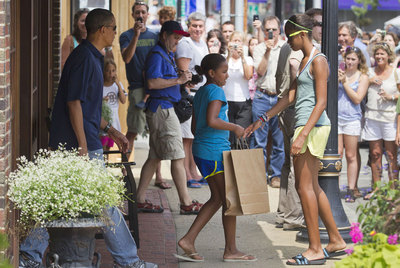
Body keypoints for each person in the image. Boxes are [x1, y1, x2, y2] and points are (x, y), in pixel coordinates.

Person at [21, 9, 157, 268]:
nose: (116, 33)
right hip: (76, 145)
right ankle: (127, 261)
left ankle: (29, 255)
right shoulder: (85, 58)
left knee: (61, 201)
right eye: (114, 28)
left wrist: (112, 131)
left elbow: (88, 109)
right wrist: (83, 145)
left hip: (80, 143)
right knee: (97, 203)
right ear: (102, 29)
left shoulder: (93, 57)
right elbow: (73, 104)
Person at [245, 14, 346, 265]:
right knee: (312, 186)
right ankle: (335, 240)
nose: (286, 40)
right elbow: (289, 97)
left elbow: (321, 102)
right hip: (304, 126)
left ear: (302, 34)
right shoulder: (301, 61)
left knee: (304, 188)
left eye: (289, 36)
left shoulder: (318, 60)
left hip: (311, 128)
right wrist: (263, 118)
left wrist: (301, 135)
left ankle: (314, 248)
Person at [175, 54, 257, 262]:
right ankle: (205, 244)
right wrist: (235, 127)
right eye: (224, 71)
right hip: (214, 152)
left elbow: (195, 126)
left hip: (202, 150)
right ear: (211, 73)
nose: (227, 75)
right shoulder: (216, 91)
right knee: (226, 199)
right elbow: (212, 120)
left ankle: (219, 246)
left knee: (221, 198)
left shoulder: (201, 91)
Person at [136, 21, 203, 214]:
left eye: (179, 38)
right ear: (164, 35)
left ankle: (140, 199)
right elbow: (152, 82)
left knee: (155, 157)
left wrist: (183, 80)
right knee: (177, 155)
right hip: (162, 109)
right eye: (175, 37)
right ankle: (186, 202)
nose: (177, 41)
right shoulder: (157, 55)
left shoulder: (165, 54)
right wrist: (178, 80)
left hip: (162, 108)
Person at [120, 2, 170, 190]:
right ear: (133, 15)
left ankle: (158, 176)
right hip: (137, 89)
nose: (140, 15)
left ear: (148, 15)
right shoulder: (126, 35)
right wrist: (136, 35)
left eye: (143, 12)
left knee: (156, 134)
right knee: (133, 131)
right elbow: (127, 58)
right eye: (137, 12)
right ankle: (125, 173)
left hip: (155, 88)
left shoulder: (156, 36)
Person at [362, 42, 400, 200]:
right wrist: (370, 81)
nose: (379, 57)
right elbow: (360, 91)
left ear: (388, 56)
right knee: (375, 154)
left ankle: (393, 189)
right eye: (377, 54)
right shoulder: (369, 72)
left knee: (391, 155)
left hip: (390, 117)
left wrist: (390, 97)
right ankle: (377, 189)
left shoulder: (395, 73)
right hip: (372, 117)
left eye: (382, 54)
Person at [251, 16, 285, 188]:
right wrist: (267, 51)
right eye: (268, 30)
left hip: (279, 98)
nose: (271, 33)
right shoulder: (259, 48)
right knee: (259, 140)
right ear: (264, 31)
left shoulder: (286, 48)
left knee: (279, 141)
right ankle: (258, 176)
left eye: (274, 29)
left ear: (280, 30)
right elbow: (260, 71)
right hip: (262, 97)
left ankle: (276, 175)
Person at [176, 12, 209, 188]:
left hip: (200, 93)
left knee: (193, 137)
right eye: (194, 26)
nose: (197, 29)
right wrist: (188, 95)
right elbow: (184, 72)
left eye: (200, 26)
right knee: (186, 138)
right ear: (188, 26)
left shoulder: (202, 43)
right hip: (188, 94)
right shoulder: (185, 43)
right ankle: (187, 174)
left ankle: (193, 171)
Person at [274, 40, 304, 231]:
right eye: (318, 24)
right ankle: (293, 217)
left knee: (288, 163)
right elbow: (293, 66)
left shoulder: (285, 46)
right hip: (295, 110)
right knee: (296, 164)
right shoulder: (297, 49)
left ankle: (284, 214)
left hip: (285, 108)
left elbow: (279, 78)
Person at [337, 47, 369, 202]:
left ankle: (350, 188)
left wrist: (345, 83)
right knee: (337, 155)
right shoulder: (339, 73)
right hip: (337, 118)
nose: (349, 62)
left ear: (359, 61)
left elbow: (357, 99)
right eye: (347, 58)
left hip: (352, 119)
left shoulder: (362, 77)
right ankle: (334, 189)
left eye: (353, 59)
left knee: (351, 155)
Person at [224, 31, 253, 148]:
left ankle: (241, 165)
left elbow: (248, 76)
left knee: (242, 138)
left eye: (239, 41)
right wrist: (228, 55)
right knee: (228, 138)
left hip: (243, 102)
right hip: (227, 101)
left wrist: (242, 58)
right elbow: (222, 73)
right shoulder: (224, 58)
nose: (236, 44)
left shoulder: (248, 59)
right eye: (234, 41)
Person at [101, 59, 127, 152]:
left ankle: (106, 163)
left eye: (113, 71)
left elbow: (123, 100)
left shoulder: (117, 85)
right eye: (108, 70)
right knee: (102, 144)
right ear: (104, 71)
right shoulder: (100, 84)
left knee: (109, 145)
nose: (110, 73)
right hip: (103, 120)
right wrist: (102, 100)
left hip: (114, 120)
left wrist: (118, 85)